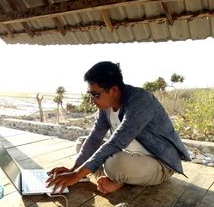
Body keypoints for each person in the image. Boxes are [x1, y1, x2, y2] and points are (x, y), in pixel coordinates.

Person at [46, 61, 191, 194]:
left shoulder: (140, 101)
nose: (91, 100)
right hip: (127, 154)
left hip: (158, 163)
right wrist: (73, 169)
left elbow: (116, 142)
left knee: (115, 164)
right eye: (89, 94)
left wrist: (76, 175)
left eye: (95, 94)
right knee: (82, 143)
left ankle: (115, 178)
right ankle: (111, 178)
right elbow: (96, 136)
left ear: (113, 90)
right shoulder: (105, 106)